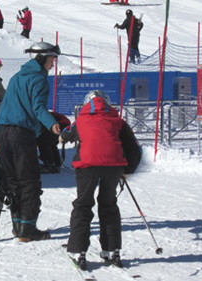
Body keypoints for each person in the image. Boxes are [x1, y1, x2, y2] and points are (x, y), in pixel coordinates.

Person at [59, 90, 141, 269]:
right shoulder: (118, 121)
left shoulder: (81, 120)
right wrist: (128, 170)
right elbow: (134, 149)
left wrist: (62, 137)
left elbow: (65, 134)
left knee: (83, 205)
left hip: (87, 165)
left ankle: (78, 250)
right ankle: (112, 250)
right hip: (113, 166)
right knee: (109, 205)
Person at [0, 42, 61, 242]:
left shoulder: (16, 77)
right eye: (52, 60)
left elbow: (7, 104)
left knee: (13, 182)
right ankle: (28, 229)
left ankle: (18, 226)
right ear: (43, 59)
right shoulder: (39, 80)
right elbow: (38, 107)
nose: (53, 64)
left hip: (3, 133)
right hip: (21, 135)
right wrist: (52, 125)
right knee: (29, 182)